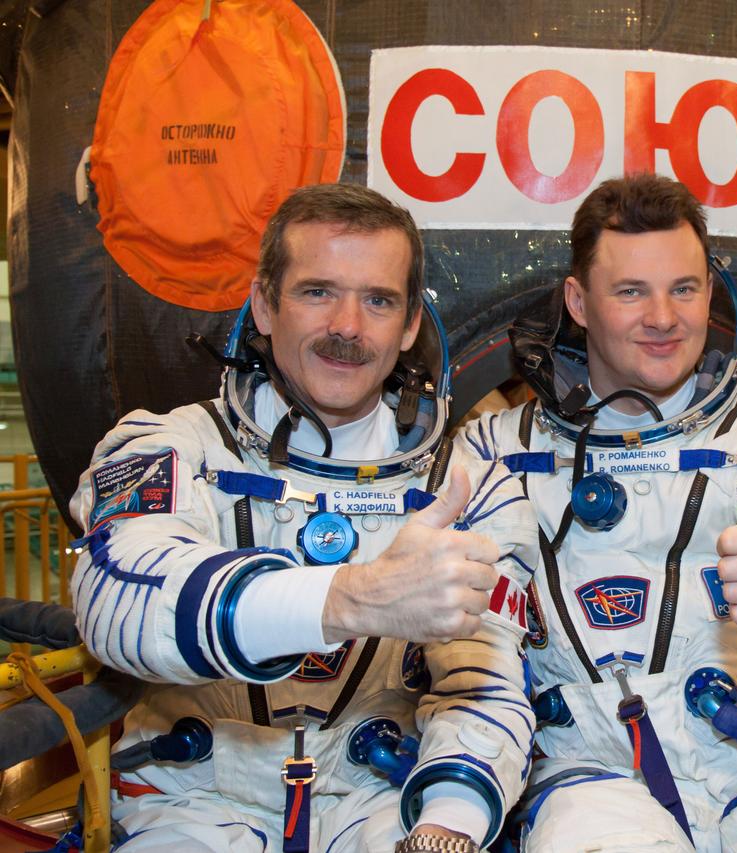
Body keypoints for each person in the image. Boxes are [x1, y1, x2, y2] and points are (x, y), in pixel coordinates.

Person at [70, 184, 537, 853]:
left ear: (410, 326)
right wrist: (351, 598)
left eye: (378, 300)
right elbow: (120, 600)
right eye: (318, 291)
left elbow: (485, 684)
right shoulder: (171, 447)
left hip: (378, 796)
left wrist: (446, 824)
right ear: (264, 305)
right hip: (193, 801)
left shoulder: (468, 487)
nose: (347, 326)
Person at [461, 173, 737, 852]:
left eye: (684, 288)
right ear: (578, 302)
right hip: (591, 781)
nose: (664, 318)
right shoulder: (493, 453)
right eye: (631, 291)